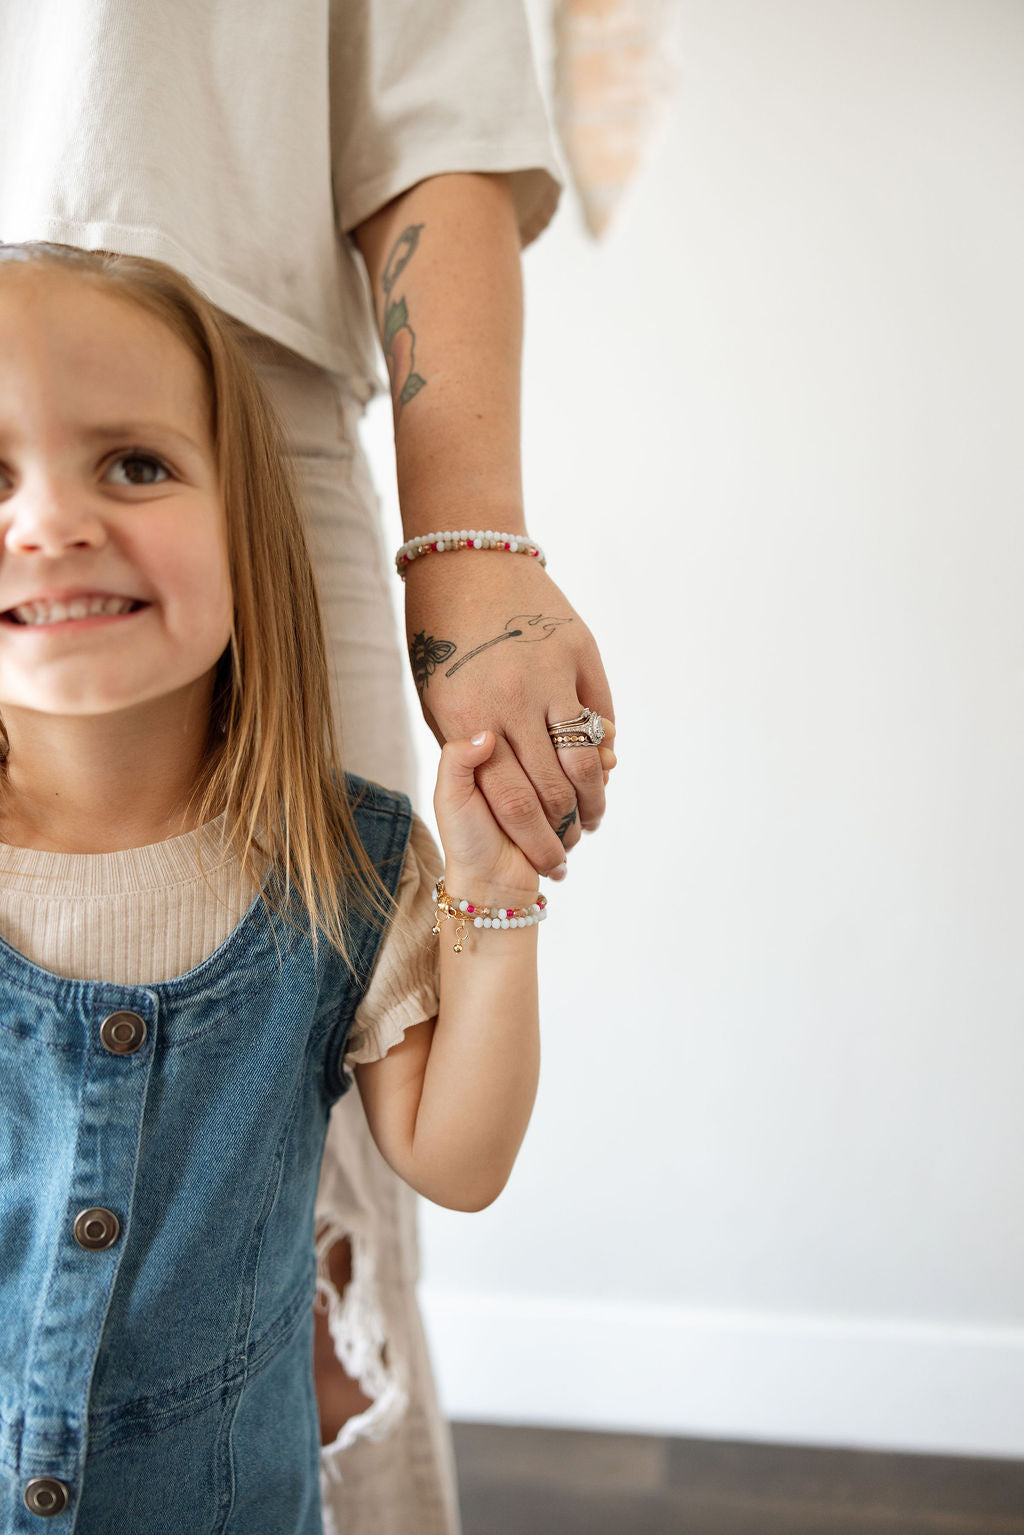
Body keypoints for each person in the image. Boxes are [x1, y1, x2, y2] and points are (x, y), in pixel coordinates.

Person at [0, 6, 616, 1528]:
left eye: (134, 464)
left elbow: (454, 1159)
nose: (54, 523)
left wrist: (494, 902)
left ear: (251, 530)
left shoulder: (342, 867)